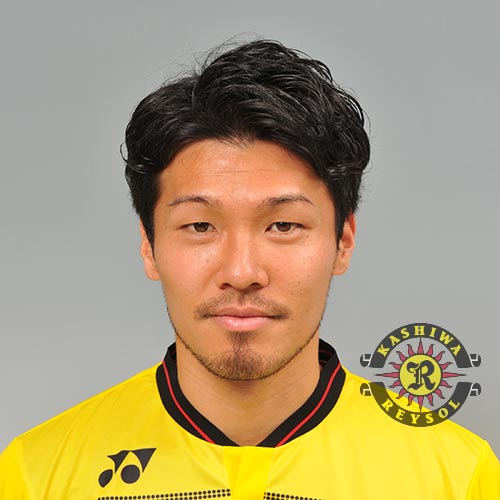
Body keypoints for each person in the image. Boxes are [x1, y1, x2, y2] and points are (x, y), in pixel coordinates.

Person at [1, 39, 499, 500]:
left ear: (343, 241)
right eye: (200, 226)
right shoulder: (37, 475)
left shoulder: (455, 476)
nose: (241, 272)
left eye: (283, 225)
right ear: (149, 246)